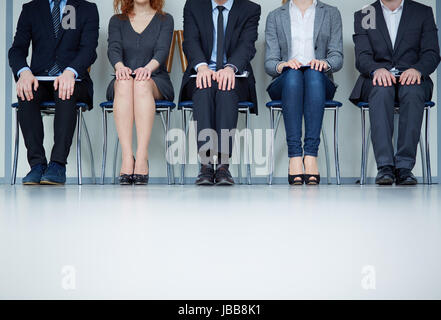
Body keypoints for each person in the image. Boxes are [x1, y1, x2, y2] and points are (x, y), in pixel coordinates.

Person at [8, 0, 99, 185]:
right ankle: (37, 165)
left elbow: (89, 49)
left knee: (64, 91)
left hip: (74, 80)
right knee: (26, 93)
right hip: (40, 79)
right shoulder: (31, 9)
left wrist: (70, 71)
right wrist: (24, 72)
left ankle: (57, 165)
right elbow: (17, 50)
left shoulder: (86, 9)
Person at [350, 0, 440, 185]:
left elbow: (431, 53)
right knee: (382, 90)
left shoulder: (421, 12)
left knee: (413, 91)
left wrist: (418, 70)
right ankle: (385, 167)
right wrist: (376, 69)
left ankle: (404, 168)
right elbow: (363, 56)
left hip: (413, 77)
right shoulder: (369, 13)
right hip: (376, 79)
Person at [180, 0, 261, 186]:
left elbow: (247, 45)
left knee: (226, 90)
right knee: (203, 90)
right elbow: (190, 41)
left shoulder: (250, 9)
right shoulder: (194, 6)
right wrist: (201, 67)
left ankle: (223, 165)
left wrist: (230, 68)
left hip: (235, 76)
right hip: (202, 74)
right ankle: (206, 165)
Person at [265, 0, 343, 185]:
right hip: (285, 83)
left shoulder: (331, 13)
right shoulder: (275, 16)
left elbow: (337, 56)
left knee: (313, 75)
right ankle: (294, 157)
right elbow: (270, 63)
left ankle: (310, 156)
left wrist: (325, 63)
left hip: (319, 82)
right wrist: (282, 65)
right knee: (293, 75)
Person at [107, 0, 174, 185]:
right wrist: (120, 67)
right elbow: (113, 49)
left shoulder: (165, 20)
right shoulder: (117, 21)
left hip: (155, 79)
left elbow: (162, 51)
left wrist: (147, 69)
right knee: (125, 83)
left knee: (141, 84)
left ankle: (142, 156)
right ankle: (128, 157)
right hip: (124, 79)